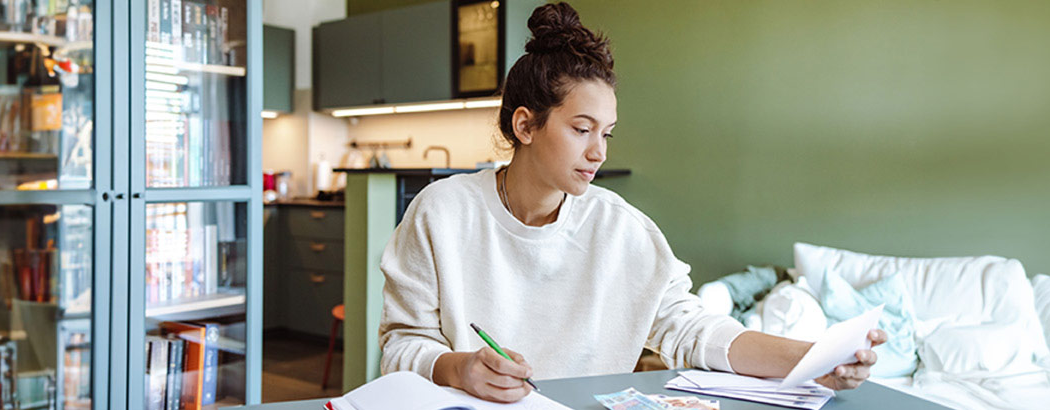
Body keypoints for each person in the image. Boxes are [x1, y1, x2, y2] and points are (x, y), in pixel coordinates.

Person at [377, 2, 889, 403]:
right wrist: (458, 368)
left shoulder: (622, 229)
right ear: (525, 125)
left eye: (607, 133)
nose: (598, 152)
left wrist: (813, 360)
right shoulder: (440, 213)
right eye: (581, 130)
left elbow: (695, 330)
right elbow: (402, 344)